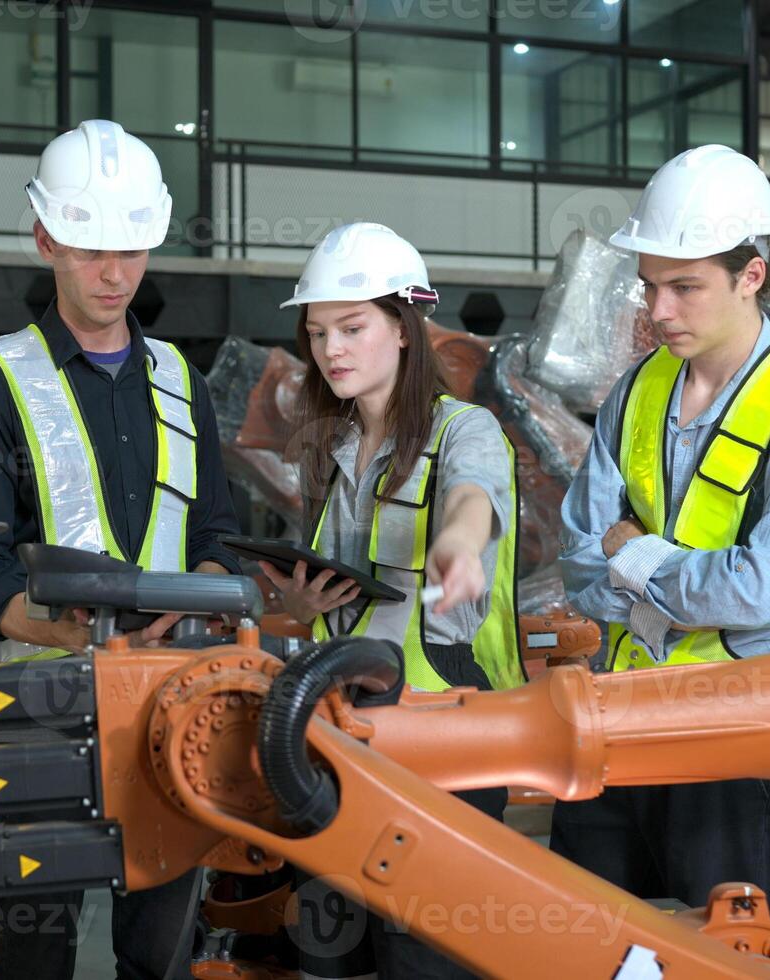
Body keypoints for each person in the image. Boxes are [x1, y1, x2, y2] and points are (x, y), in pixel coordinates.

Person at [0, 119, 243, 979]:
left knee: (163, 953)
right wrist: (81, 635)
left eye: (133, 250)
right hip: (41, 706)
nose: (114, 275)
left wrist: (201, 599)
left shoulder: (183, 383)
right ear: (44, 238)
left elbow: (213, 532)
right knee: (35, 954)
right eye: (88, 250)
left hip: (172, 703)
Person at [551, 144, 770, 926]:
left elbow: (769, 590)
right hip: (618, 725)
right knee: (585, 948)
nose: (658, 311)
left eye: (684, 287)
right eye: (650, 285)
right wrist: (677, 582)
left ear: (751, 275)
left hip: (744, 744)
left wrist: (638, 553)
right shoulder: (636, 388)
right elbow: (578, 561)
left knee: (727, 960)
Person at [266, 221, 524, 979]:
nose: (331, 350)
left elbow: (475, 496)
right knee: (333, 945)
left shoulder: (462, 430)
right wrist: (305, 601)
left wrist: (459, 543)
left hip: (444, 734)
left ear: (405, 329)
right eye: (317, 333)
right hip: (343, 728)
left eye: (352, 328)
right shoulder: (330, 447)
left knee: (424, 953)